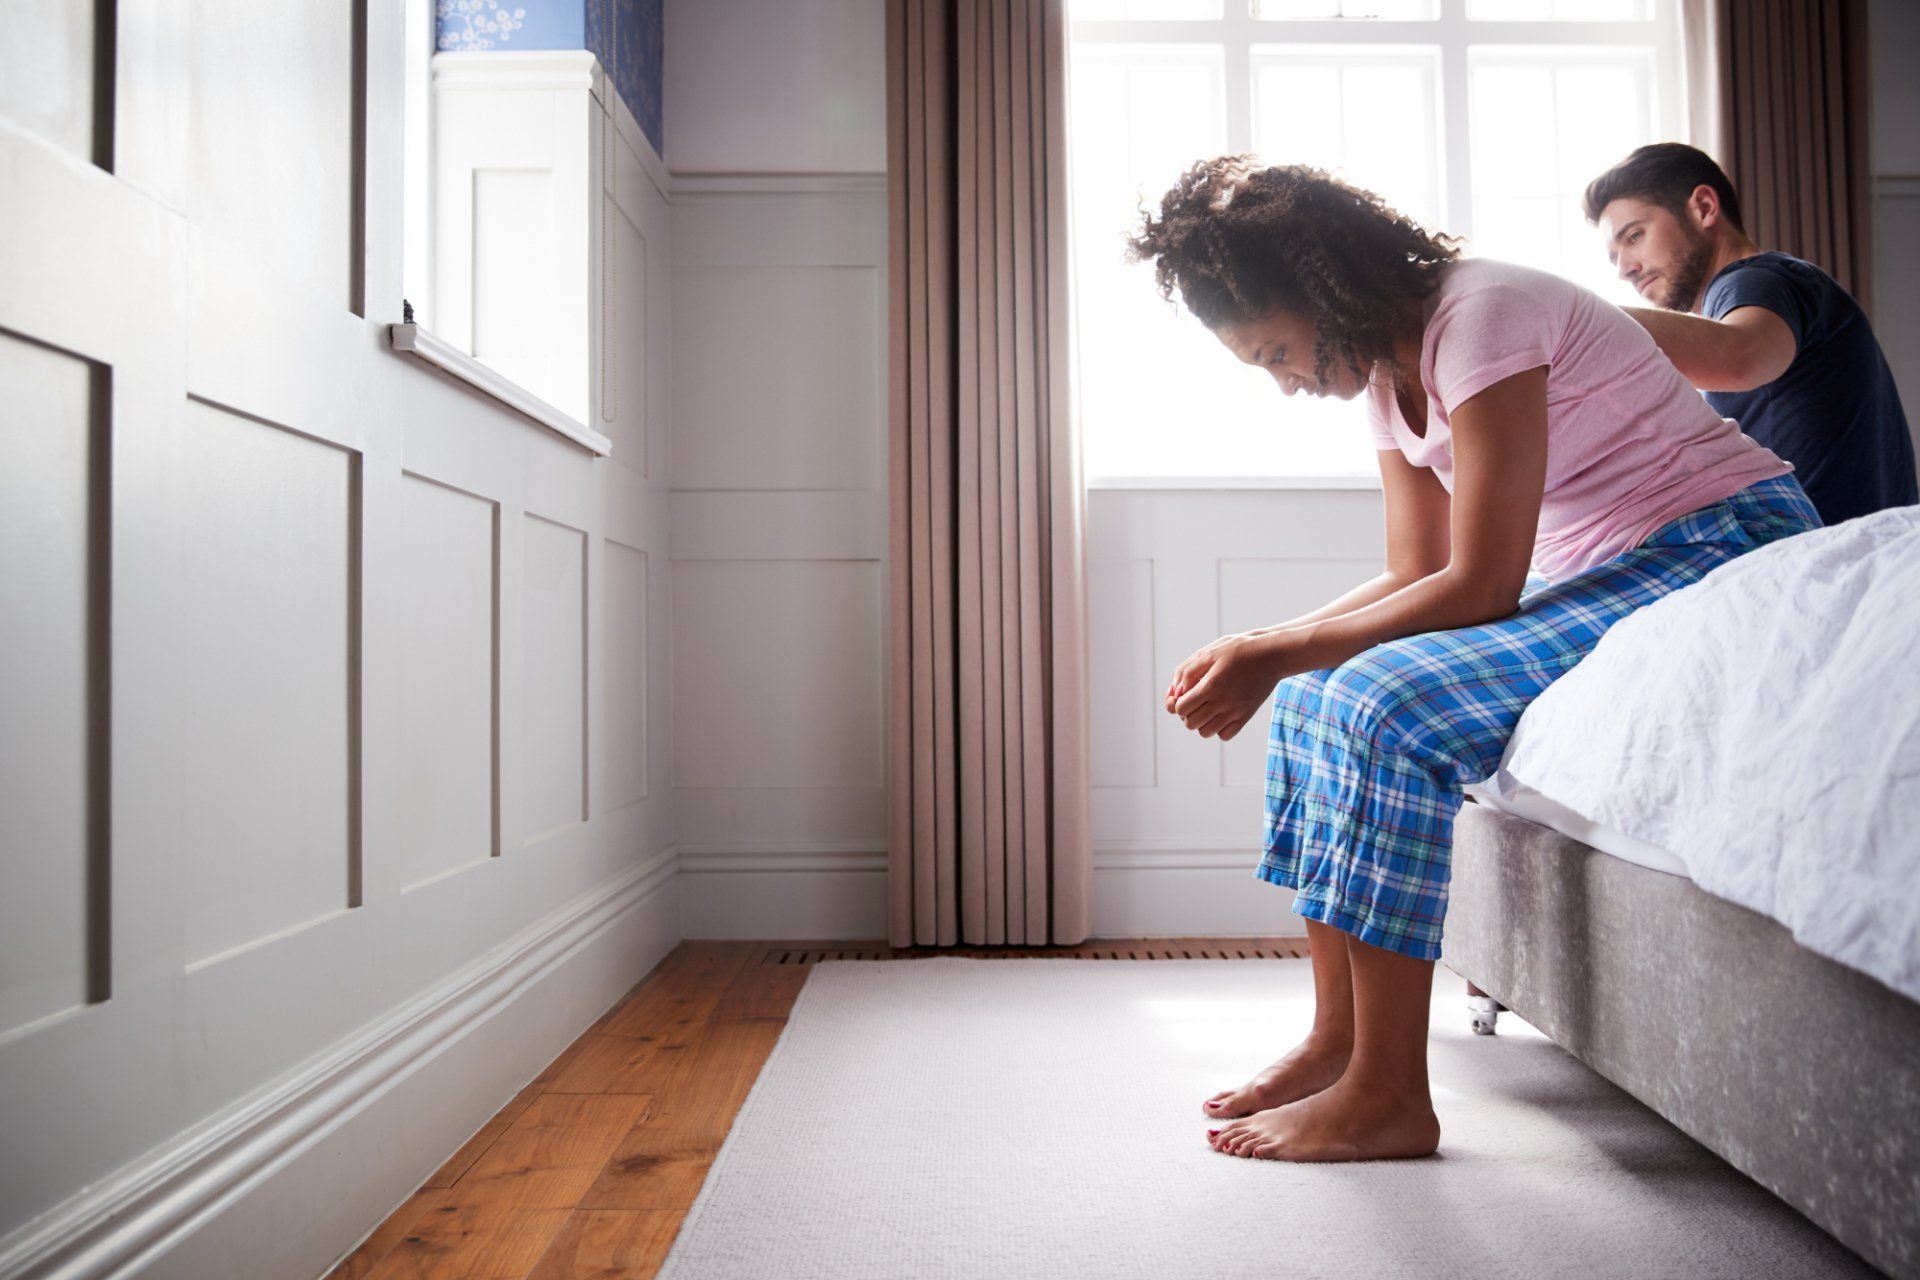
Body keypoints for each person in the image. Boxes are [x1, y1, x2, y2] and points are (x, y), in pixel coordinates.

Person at [1126, 156, 1820, 1163]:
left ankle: (1388, 1095)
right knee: (1316, 693)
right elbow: (1416, 567)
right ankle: (1336, 1038)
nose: (1285, 383)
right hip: (1611, 563)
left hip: (1721, 537)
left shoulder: (1483, 315)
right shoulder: (1383, 378)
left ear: (1325, 293)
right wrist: (1270, 650)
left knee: (1382, 705)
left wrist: (1269, 648)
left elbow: (1484, 583)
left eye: (1278, 352)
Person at [1585, 142, 1917, 525]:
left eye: (1634, 236)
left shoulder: (1756, 280)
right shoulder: (1777, 285)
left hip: (1827, 550)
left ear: (1704, 207)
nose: (1624, 269)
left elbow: (1742, 358)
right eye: (1615, 257)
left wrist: (1582, 318)